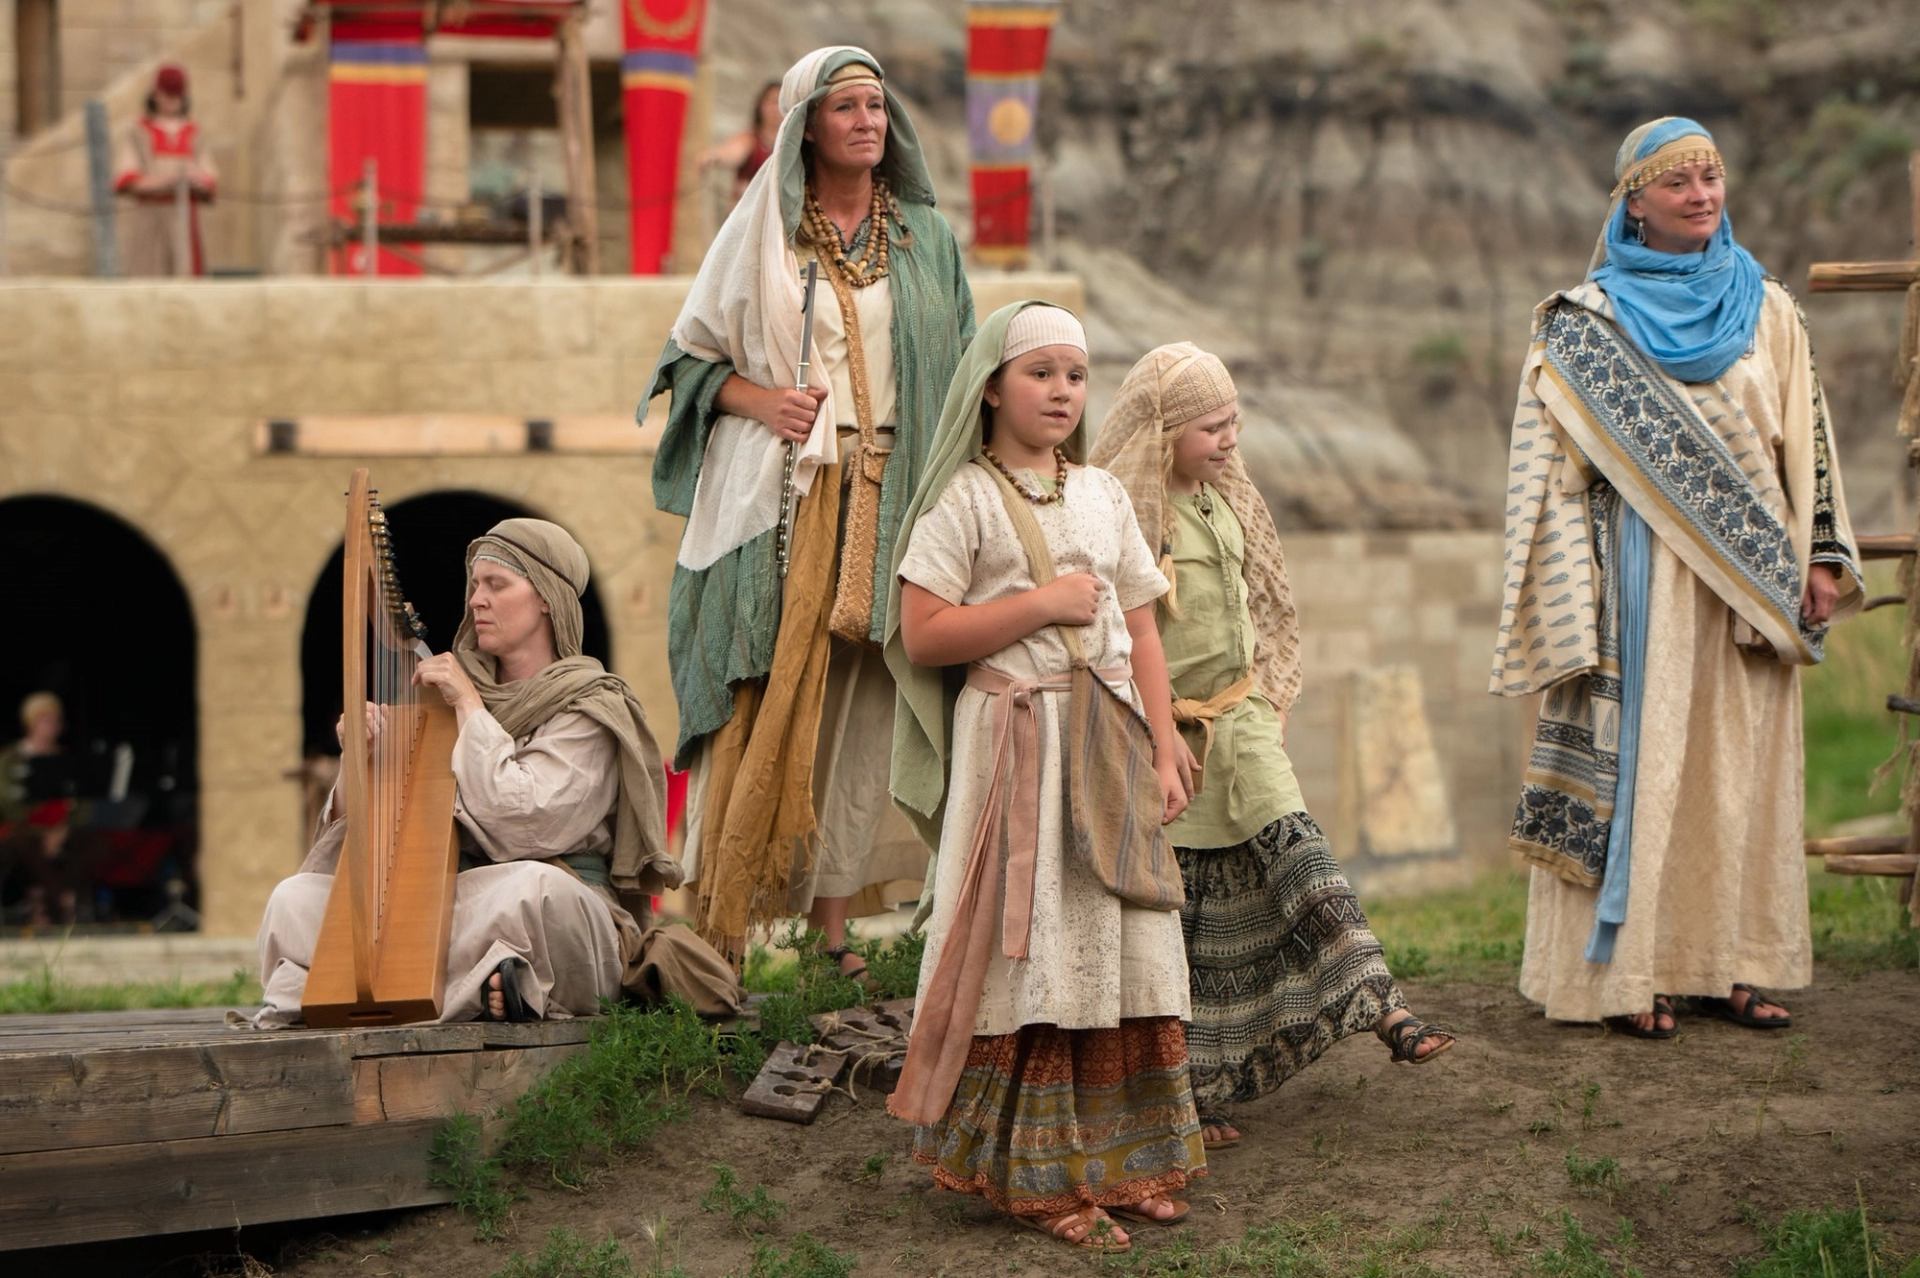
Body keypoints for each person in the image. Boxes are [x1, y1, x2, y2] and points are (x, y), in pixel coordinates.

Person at [1493, 117, 1862, 1037]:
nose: (1701, 195)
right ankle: (1630, 975)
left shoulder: (1769, 310)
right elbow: (1549, 478)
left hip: (1750, 580)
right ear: (1635, 205)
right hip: (1638, 582)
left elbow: (1809, 443)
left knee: (1737, 774)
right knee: (1647, 771)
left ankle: (1731, 964)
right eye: (1677, 182)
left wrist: (1822, 555)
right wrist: (1569, 596)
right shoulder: (1588, 323)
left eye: (1711, 177)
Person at [648, 46, 975, 974]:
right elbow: (686, 363)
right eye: (846, 107)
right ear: (805, 127)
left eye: (877, 105)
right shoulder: (766, 232)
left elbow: (962, 366)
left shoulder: (923, 236)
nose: (867, 121)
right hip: (794, 493)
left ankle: (834, 935)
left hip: (902, 486)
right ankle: (725, 932)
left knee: (870, 703)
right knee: (774, 689)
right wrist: (764, 402)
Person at [885, 303, 1203, 1254]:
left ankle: (1127, 1161)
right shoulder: (965, 501)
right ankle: (1037, 1177)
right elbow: (923, 635)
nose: (1063, 391)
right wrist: (1041, 605)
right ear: (992, 387)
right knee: (1041, 951)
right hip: (1019, 743)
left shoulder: (1103, 494)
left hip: (1106, 737)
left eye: (1076, 374)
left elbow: (1140, 625)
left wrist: (1163, 744)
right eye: (1041, 373)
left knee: (1126, 934)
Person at [1091, 343, 1454, 1149]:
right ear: (1164, 434)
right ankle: (1194, 1088)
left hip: (1242, 718)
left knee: (1299, 849)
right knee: (1196, 917)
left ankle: (1385, 1007)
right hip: (1170, 734)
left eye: (1235, 422)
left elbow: (1263, 603)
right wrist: (1155, 730)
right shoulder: (1130, 519)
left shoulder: (1230, 500)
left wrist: (1265, 696)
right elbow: (1116, 638)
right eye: (1211, 427)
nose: (1230, 439)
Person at [252, 519, 735, 1025]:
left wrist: (470, 706)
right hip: (452, 908)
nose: (476, 600)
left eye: (496, 585)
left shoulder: (589, 708)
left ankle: (469, 983)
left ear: (546, 597)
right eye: (475, 585)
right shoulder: (437, 706)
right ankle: (484, 984)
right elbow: (349, 841)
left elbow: (525, 825)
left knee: (532, 890)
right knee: (294, 900)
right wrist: (359, 758)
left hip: (554, 902)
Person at [113, 64, 217, 278]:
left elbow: (209, 180)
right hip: (150, 219)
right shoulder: (139, 131)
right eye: (166, 95)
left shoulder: (193, 133)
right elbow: (128, 179)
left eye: (175, 96)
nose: (171, 101)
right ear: (155, 94)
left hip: (185, 220)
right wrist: (171, 179)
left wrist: (193, 179)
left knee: (187, 277)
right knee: (148, 277)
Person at [0, 692, 81, 925]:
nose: (52, 726)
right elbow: (7, 803)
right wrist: (42, 829)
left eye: (56, 721)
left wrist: (61, 828)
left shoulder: (66, 759)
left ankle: (50, 900)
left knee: (95, 843)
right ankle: (60, 900)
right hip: (21, 828)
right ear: (31, 722)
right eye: (45, 720)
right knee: (25, 842)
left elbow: (79, 803)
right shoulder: (10, 758)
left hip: (61, 829)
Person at [700, 80, 781, 209]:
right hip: (747, 214)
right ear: (761, 106)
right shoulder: (751, 140)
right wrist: (714, 156)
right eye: (772, 102)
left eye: (780, 103)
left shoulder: (793, 147)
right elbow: (733, 152)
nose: (776, 109)